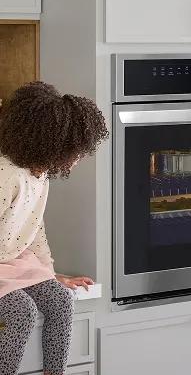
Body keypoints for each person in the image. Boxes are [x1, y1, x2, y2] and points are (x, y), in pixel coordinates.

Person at [0, 81, 109, 375]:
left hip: (15, 262)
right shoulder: (8, 176)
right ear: (51, 143)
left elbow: (35, 232)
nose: (80, 157)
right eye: (75, 150)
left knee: (61, 300)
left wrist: (48, 273)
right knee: (21, 311)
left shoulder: (41, 177)